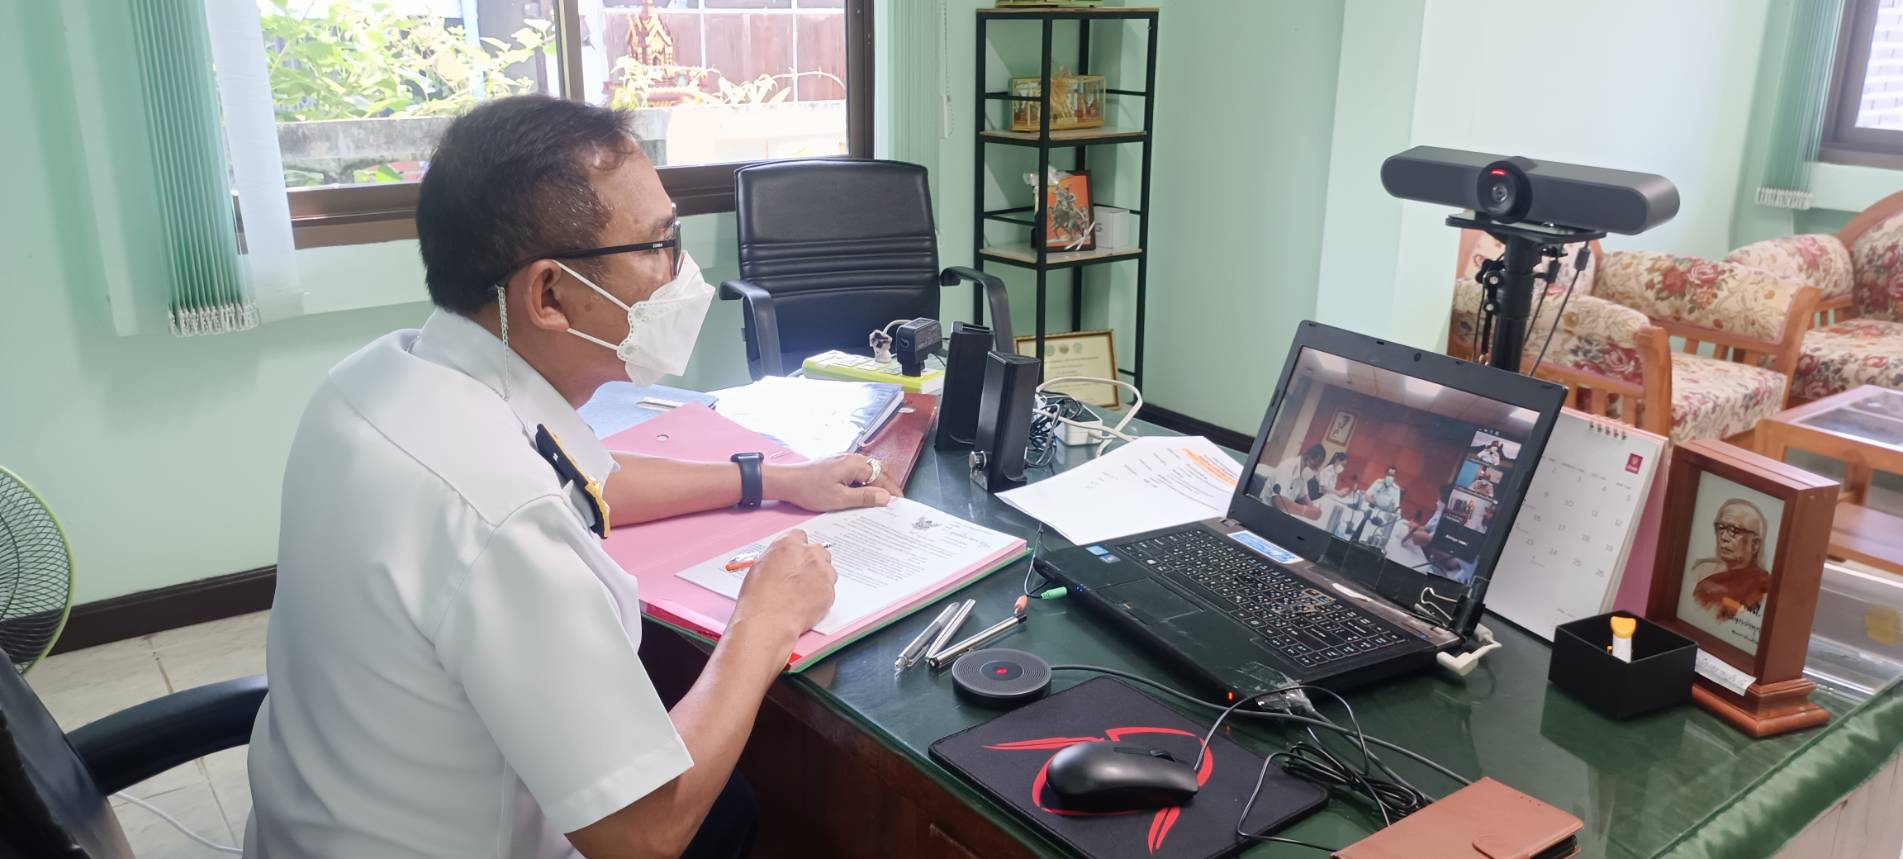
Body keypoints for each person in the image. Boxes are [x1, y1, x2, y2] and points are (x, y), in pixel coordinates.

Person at [246, 96, 904, 859]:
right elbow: (641, 832)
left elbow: (587, 481)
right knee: (722, 805)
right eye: (659, 245)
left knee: (729, 800)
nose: (680, 272)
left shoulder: (380, 379)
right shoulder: (501, 515)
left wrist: (770, 480)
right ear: (550, 294)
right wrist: (764, 620)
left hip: (317, 823)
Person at [1689, 500, 1773, 622]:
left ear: (1754, 544)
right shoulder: (1701, 570)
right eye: (1721, 528)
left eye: (1734, 531)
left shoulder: (1762, 588)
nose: (1723, 537)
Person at [1267, 443, 1326, 519]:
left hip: (1283, 513)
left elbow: (1303, 495)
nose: (1314, 470)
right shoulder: (1288, 467)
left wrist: (1313, 508)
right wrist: (1305, 511)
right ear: (1308, 457)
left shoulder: (1303, 472)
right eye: (1314, 466)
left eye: (1316, 468)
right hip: (1269, 512)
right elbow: (1278, 501)